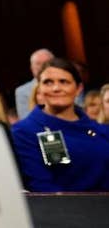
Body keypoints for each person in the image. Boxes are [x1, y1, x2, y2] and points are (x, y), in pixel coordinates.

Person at [11, 58, 109, 192]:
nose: (56, 88)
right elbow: (42, 186)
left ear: (78, 88)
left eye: (64, 82)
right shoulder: (24, 132)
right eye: (48, 82)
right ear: (39, 88)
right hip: (61, 204)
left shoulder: (101, 130)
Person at [15, 48, 54, 120]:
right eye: (38, 63)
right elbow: (25, 119)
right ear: (31, 68)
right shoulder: (22, 91)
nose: (42, 67)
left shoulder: (67, 85)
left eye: (46, 63)